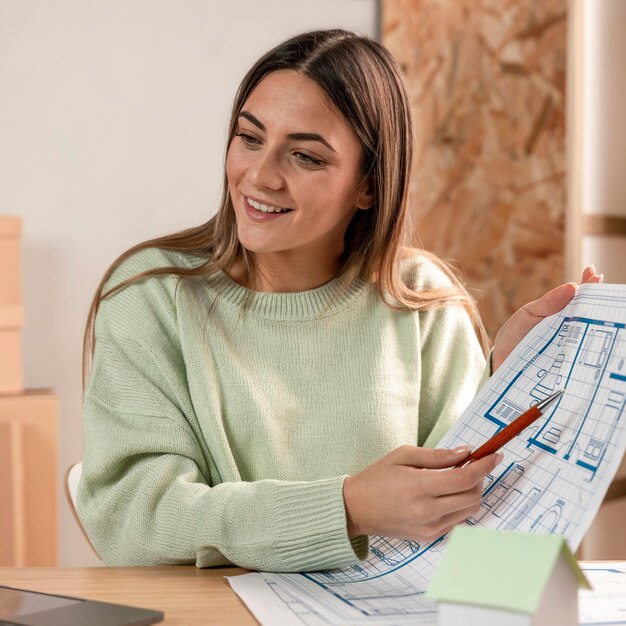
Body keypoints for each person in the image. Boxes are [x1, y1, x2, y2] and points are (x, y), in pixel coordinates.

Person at [76, 29, 602, 572]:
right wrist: (347, 508)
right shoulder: (152, 295)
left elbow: (482, 547)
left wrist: (508, 386)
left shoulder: (425, 305)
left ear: (368, 186)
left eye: (304, 156)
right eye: (250, 138)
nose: (259, 175)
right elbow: (133, 524)